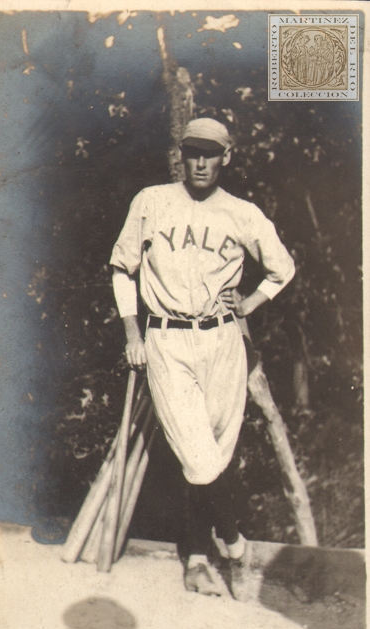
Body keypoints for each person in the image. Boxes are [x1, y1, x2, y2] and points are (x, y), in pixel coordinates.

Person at [110, 118, 295, 599]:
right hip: (167, 340)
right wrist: (133, 332)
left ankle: (196, 559)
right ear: (181, 154)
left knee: (215, 453)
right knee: (198, 457)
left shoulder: (242, 213)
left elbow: (282, 268)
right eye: (192, 151)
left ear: (226, 157)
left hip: (223, 342)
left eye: (210, 153)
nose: (200, 161)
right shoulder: (151, 202)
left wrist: (250, 303)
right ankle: (235, 547)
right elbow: (121, 267)